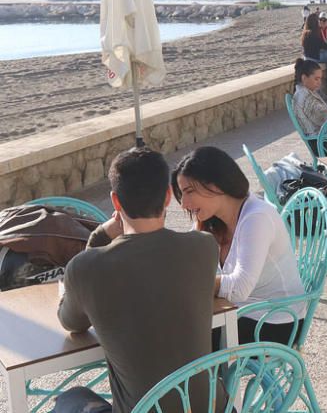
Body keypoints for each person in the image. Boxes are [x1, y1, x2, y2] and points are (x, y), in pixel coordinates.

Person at [55, 148, 218, 413]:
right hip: (209, 408)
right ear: (167, 197)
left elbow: (72, 322)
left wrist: (101, 233)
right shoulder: (204, 247)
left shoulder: (85, 268)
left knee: (72, 398)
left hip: (144, 409)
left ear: (115, 202)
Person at [173, 146, 305, 347]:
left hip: (275, 321)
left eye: (189, 192)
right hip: (239, 311)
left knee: (181, 340)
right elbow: (186, 260)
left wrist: (194, 282)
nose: (183, 203)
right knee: (173, 330)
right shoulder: (212, 220)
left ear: (216, 184)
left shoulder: (256, 217)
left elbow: (240, 287)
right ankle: (206, 378)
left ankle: (207, 378)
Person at [291, 58, 327, 152]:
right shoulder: (305, 97)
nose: (319, 82)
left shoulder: (304, 93)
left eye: (320, 79)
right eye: (316, 79)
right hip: (323, 143)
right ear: (304, 78)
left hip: (322, 139)